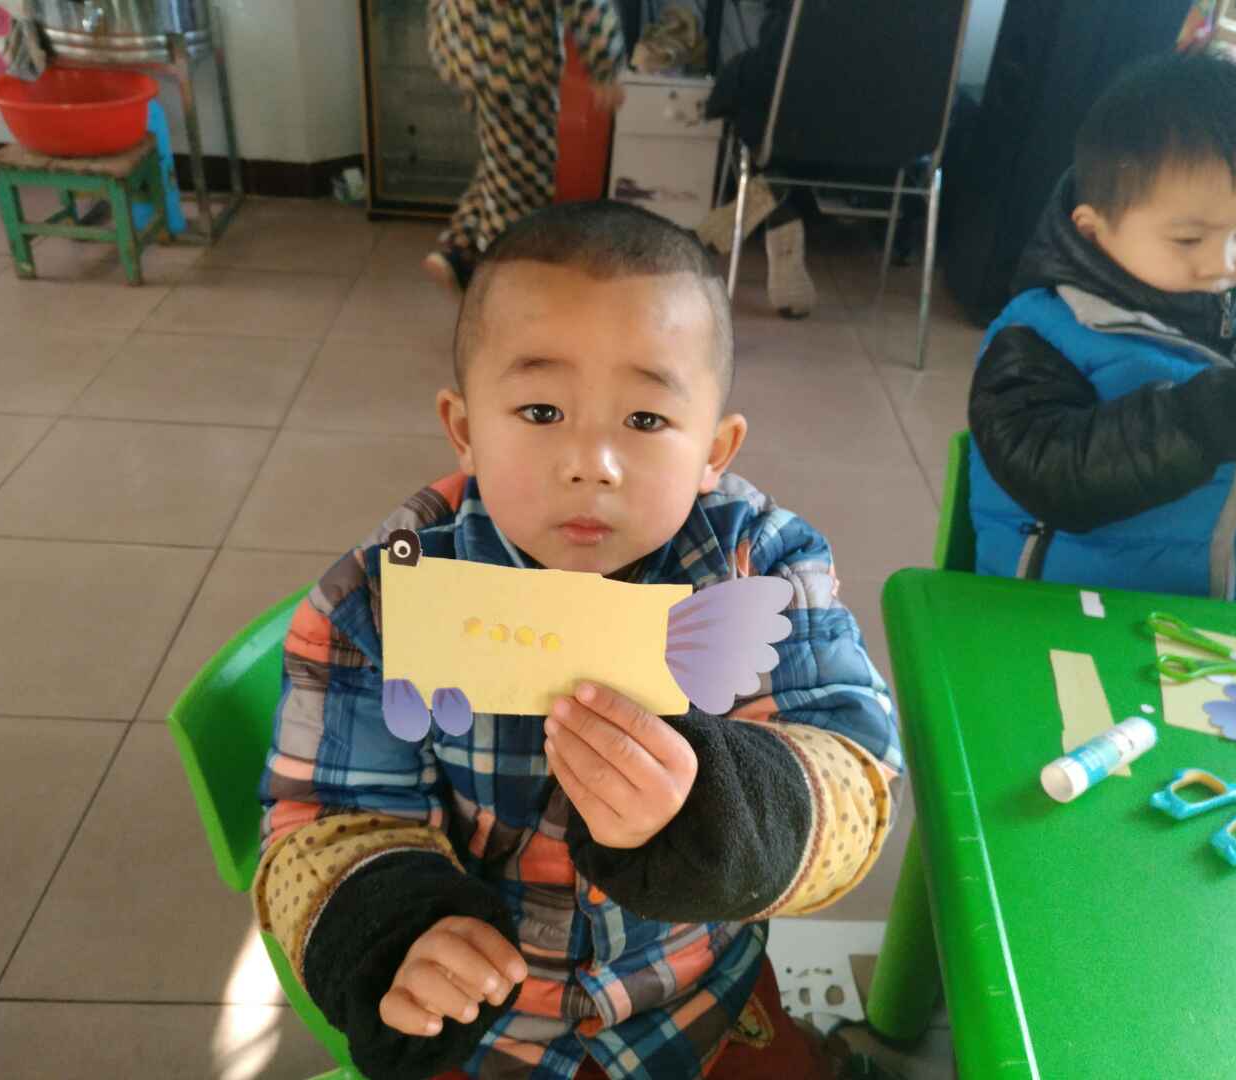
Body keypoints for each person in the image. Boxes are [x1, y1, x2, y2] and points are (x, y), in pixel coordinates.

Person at [254, 201, 902, 1080]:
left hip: (697, 1004)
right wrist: (395, 932)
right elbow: (321, 821)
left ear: (715, 449)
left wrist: (710, 808)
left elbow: (857, 779)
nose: (591, 462)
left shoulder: (759, 566)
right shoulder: (377, 602)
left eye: (645, 421)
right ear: (464, 429)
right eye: (540, 409)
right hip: (488, 1033)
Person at [968, 53, 1236, 606]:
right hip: (1069, 612)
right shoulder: (1042, 333)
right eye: (1188, 239)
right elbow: (1055, 481)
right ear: (1094, 230)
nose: (1222, 262)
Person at [422, 0, 627, 293]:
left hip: (468, 46)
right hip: (514, 63)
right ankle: (500, 278)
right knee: (523, 180)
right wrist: (606, 64)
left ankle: (461, 253)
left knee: (501, 162)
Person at [699, 0, 818, 319]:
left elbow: (769, 66)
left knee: (758, 94)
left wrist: (719, 96)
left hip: (792, 136)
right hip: (895, 153)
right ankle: (776, 194)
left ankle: (773, 199)